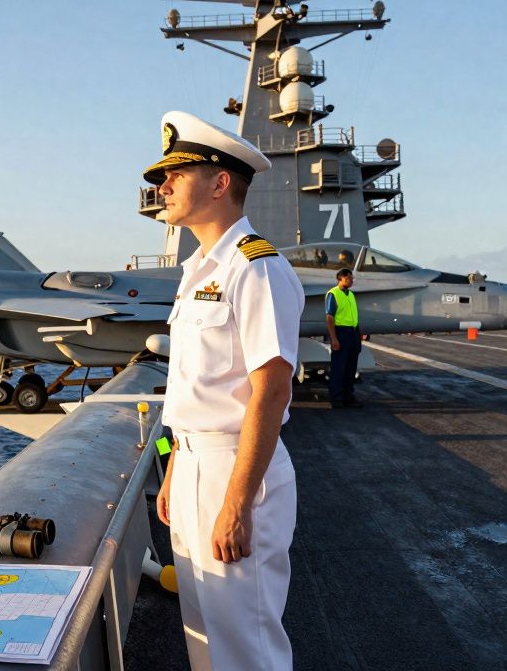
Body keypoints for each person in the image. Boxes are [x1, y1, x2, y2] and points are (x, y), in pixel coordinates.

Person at [147, 110, 303, 670]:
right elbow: (198, 386)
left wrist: (236, 502)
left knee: (245, 643)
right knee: (205, 636)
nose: (161, 186)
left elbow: (272, 390)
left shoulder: (254, 267)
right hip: (193, 468)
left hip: (235, 472)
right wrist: (174, 471)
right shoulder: (198, 271)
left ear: (219, 183)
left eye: (176, 174)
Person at [325, 268, 362, 408]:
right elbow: (329, 317)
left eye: (352, 279)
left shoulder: (351, 295)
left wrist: (358, 333)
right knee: (338, 368)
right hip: (341, 332)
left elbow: (354, 316)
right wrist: (334, 339)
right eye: (348, 279)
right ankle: (336, 398)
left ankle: (348, 396)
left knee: (351, 368)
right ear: (340, 279)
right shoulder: (333, 294)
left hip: (353, 333)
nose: (351, 281)